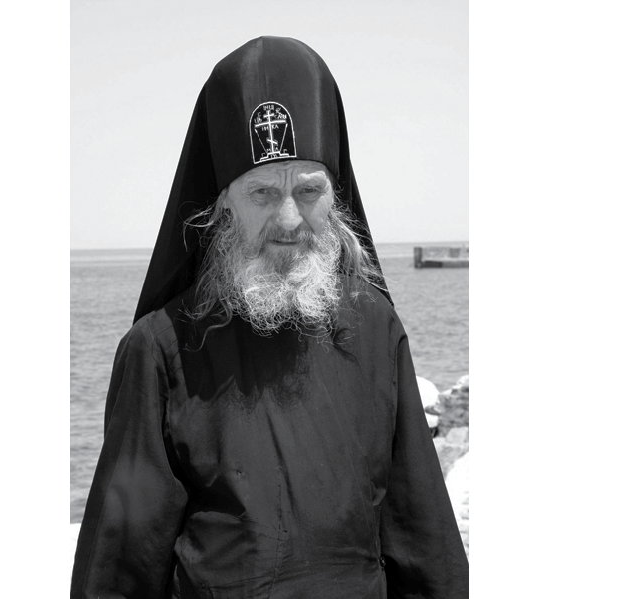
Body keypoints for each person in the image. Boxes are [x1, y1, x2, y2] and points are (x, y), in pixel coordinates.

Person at [72, 36, 468, 598]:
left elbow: (422, 535)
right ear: (222, 203)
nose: (288, 219)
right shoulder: (158, 349)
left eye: (308, 190)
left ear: (336, 195)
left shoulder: (376, 328)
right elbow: (121, 563)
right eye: (261, 192)